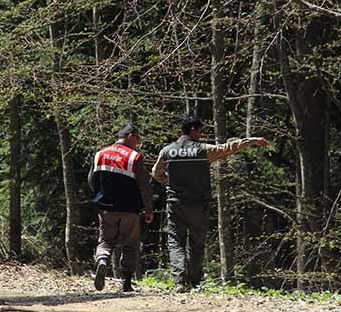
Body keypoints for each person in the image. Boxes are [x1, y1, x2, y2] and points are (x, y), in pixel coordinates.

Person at [151, 116, 268, 292]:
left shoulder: (167, 151)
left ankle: (179, 282)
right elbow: (227, 148)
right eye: (200, 131)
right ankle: (194, 282)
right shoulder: (202, 150)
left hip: (176, 203)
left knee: (175, 242)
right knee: (197, 244)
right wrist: (250, 141)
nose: (201, 134)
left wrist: (168, 180)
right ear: (193, 130)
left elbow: (155, 173)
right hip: (199, 204)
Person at [88, 123, 154, 292]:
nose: (137, 143)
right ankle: (126, 283)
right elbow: (144, 186)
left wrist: (99, 196)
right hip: (130, 209)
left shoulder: (100, 154)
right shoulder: (134, 157)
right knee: (130, 244)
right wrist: (148, 209)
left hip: (106, 207)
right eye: (137, 139)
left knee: (105, 241)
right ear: (131, 136)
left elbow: (91, 180)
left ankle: (102, 260)